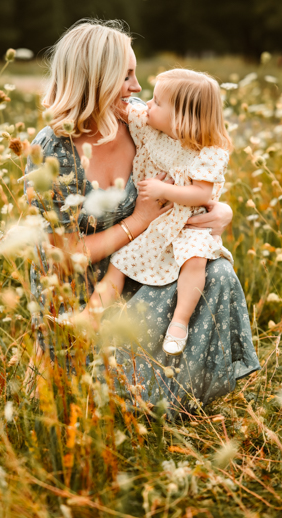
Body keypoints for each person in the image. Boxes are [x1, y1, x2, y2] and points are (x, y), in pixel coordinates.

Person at [26, 19, 260, 412]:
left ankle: (173, 402)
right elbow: (61, 257)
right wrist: (139, 220)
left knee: (216, 273)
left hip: (145, 272)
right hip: (83, 297)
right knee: (86, 400)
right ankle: (116, 395)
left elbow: (195, 165)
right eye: (127, 75)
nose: (137, 88)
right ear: (95, 79)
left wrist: (220, 209)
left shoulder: (139, 123)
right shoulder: (53, 151)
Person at [83, 69, 235, 357]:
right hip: (158, 222)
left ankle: (180, 322)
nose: (146, 104)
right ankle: (90, 315)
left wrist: (163, 191)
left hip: (189, 225)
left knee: (194, 261)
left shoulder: (210, 151)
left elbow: (201, 194)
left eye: (156, 101)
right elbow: (122, 107)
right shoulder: (151, 125)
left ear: (181, 117)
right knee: (120, 264)